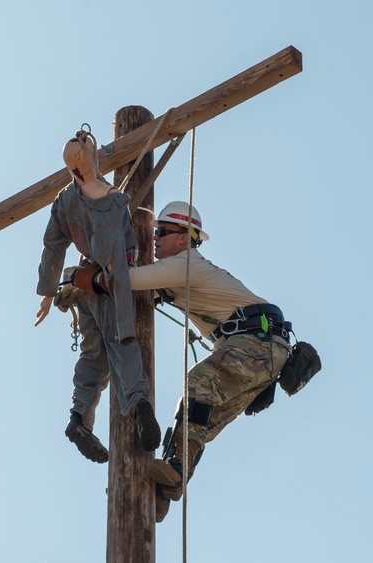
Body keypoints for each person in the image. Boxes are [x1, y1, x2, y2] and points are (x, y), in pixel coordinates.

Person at [81, 200, 293, 521]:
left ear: (184, 238)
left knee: (198, 383)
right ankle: (170, 482)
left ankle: (173, 473)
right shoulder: (175, 273)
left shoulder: (185, 264)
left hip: (257, 342)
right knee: (199, 417)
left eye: (163, 232)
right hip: (262, 350)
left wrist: (89, 278)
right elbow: (135, 291)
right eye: (156, 232)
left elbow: (126, 281)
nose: (155, 239)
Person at [35, 129, 161, 464]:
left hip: (81, 285)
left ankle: (79, 419)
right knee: (122, 341)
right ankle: (138, 403)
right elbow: (113, 257)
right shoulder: (112, 199)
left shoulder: (65, 199)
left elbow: (53, 245)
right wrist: (112, 284)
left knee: (94, 356)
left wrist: (48, 293)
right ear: (93, 157)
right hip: (104, 282)